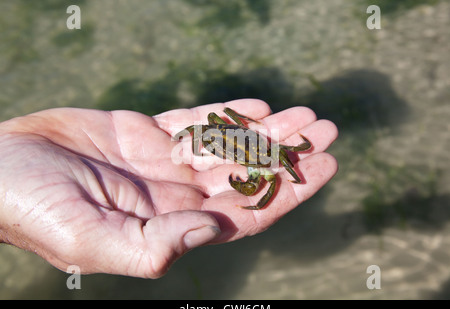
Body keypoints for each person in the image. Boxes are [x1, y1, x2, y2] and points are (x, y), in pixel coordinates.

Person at [0, 99, 338, 278]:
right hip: (242, 137)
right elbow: (216, 121)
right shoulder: (217, 131)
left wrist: (256, 179)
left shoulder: (268, 156)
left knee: (276, 174)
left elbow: (280, 171)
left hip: (257, 146)